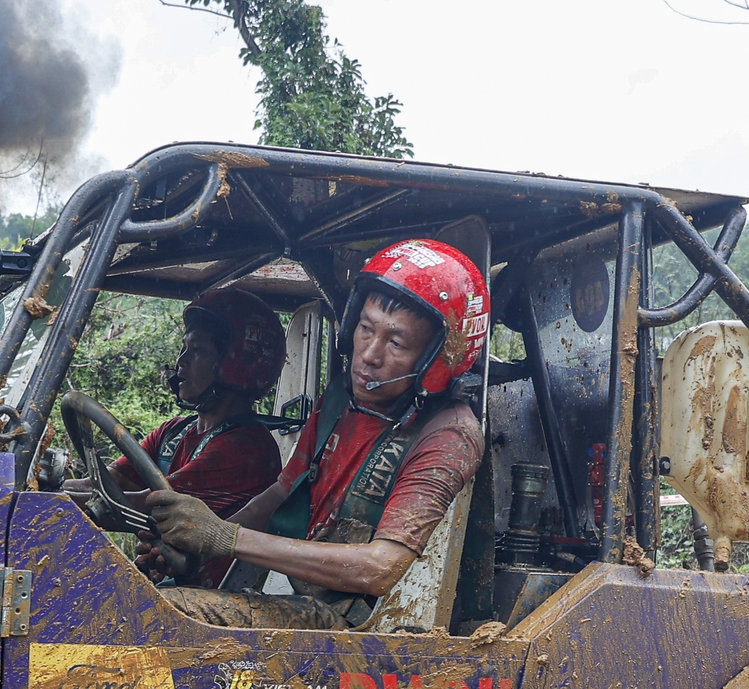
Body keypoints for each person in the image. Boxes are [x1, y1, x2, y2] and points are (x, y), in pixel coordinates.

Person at [144, 239, 488, 629]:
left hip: (369, 628)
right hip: (303, 601)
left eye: (395, 343)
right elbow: (279, 493)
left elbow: (380, 568)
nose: (369, 355)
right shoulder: (343, 397)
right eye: (364, 328)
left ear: (436, 359)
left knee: (162, 614)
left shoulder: (448, 435)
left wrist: (227, 537)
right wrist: (201, 546)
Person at [69, 288, 286, 582]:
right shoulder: (175, 431)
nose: (181, 361)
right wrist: (45, 485)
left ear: (236, 365)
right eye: (184, 349)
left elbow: (137, 504)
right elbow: (110, 480)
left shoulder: (246, 446)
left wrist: (52, 501)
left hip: (215, 595)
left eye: (197, 351)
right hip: (173, 583)